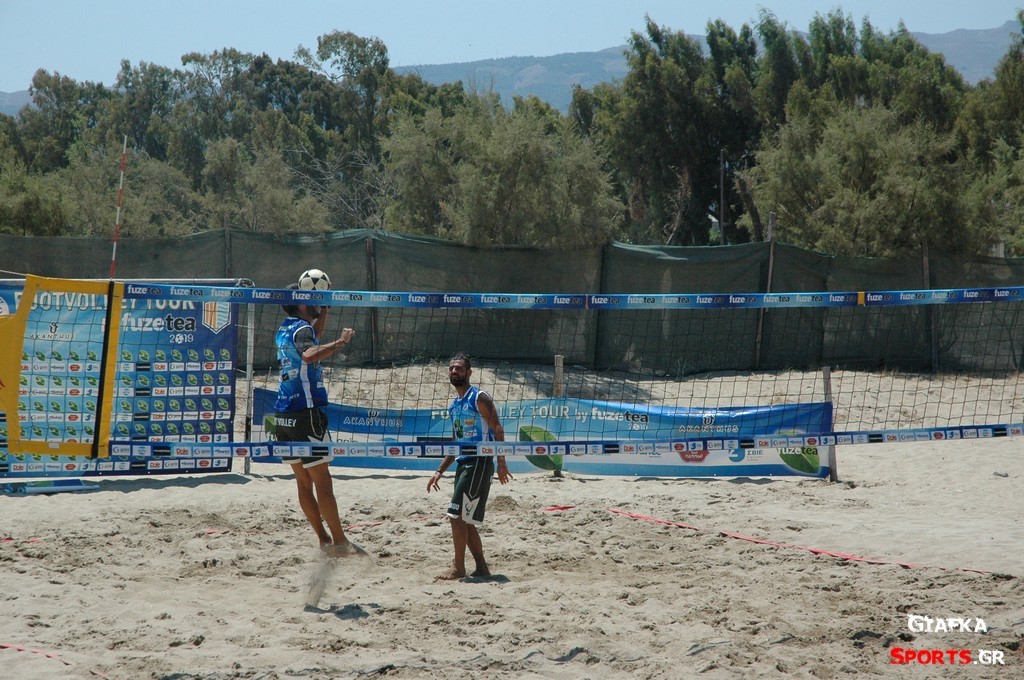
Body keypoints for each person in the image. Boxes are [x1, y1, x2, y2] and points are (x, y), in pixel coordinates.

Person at [274, 281, 363, 558]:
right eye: (313, 298)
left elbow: (313, 336)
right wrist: (341, 342)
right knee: (323, 483)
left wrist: (324, 305)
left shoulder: (285, 328)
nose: (316, 302)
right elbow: (310, 353)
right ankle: (340, 542)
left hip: (282, 414)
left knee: (303, 483)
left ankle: (324, 540)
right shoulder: (302, 330)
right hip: (306, 412)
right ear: (302, 302)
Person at [427, 352, 512, 580]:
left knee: (456, 516)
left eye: (459, 368)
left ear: (469, 372)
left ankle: (458, 567)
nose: (454, 371)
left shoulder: (479, 398)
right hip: (464, 463)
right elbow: (456, 443)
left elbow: (498, 429)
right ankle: (482, 568)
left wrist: (501, 463)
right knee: (466, 519)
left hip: (480, 462)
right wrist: (439, 471)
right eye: (451, 368)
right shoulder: (454, 406)